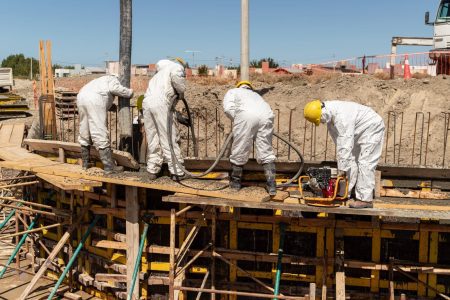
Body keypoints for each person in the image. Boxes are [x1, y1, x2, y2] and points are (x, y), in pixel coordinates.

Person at [303, 100, 385, 208]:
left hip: (372, 128)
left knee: (366, 163)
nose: (322, 122)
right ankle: (345, 193)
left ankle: (365, 200)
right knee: (351, 161)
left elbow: (344, 145)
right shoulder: (331, 117)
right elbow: (340, 143)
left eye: (320, 119)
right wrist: (343, 164)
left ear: (322, 112)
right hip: (358, 131)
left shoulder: (342, 117)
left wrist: (341, 169)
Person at [223, 81, 277, 196]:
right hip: (267, 115)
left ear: (239, 86)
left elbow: (228, 109)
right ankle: (272, 185)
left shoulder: (233, 91)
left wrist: (238, 120)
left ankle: (235, 183)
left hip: (246, 115)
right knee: (266, 151)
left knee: (240, 149)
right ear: (250, 88)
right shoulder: (256, 95)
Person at [142, 58, 188, 180]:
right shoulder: (175, 68)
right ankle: (177, 172)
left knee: (153, 138)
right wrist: (181, 93)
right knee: (168, 137)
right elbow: (179, 81)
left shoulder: (156, 76)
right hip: (161, 103)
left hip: (147, 104)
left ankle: (152, 170)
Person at [77, 75, 134, 174]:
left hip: (81, 97)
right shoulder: (112, 79)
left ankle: (85, 164)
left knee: (84, 129)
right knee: (99, 130)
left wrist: (109, 104)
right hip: (94, 99)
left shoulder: (97, 81)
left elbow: (104, 95)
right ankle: (109, 167)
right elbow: (115, 89)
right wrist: (130, 93)